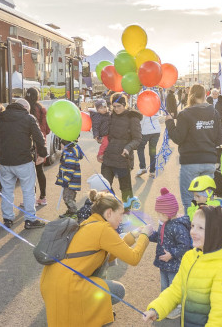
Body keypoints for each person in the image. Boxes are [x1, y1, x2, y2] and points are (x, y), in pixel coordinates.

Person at [40, 192, 154, 326]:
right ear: (109, 213)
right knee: (118, 290)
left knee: (103, 271)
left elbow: (107, 256)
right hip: (68, 287)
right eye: (120, 214)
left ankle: (88, 310)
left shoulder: (89, 223)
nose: (121, 219)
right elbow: (134, 258)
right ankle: (92, 313)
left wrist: (133, 235)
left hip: (51, 284)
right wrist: (145, 236)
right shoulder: (103, 229)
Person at [143, 205, 222, 325]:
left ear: (216, 232)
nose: (193, 232)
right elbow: (176, 290)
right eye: (193, 226)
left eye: (200, 228)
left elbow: (221, 314)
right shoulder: (190, 257)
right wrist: (156, 309)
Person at [0, 98, 47, 229]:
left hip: (5, 162)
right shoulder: (29, 119)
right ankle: (30, 220)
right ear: (25, 108)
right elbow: (39, 138)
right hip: (24, 161)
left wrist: (0, 156)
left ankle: (8, 219)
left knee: (7, 191)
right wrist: (42, 155)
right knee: (28, 191)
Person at [166, 84, 222, 208]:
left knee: (189, 201)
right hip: (209, 162)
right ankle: (206, 226)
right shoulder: (214, 112)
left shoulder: (185, 113)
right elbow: (218, 140)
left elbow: (178, 137)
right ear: (205, 95)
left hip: (190, 162)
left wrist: (169, 122)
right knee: (207, 201)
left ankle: (192, 226)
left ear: (190, 95)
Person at [147, 188, 191, 320]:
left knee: (174, 286)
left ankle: (177, 307)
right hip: (164, 263)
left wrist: (171, 254)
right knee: (164, 285)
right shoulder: (164, 223)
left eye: (160, 213)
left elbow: (185, 245)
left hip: (174, 264)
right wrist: (150, 234)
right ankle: (164, 305)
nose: (158, 216)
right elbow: (160, 238)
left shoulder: (178, 226)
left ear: (168, 212)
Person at [98, 94, 142, 205]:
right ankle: (111, 209)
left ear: (124, 105)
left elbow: (137, 139)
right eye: (114, 106)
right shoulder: (110, 116)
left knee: (125, 188)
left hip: (123, 159)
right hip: (109, 157)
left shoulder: (132, 117)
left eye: (119, 106)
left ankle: (127, 211)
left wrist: (128, 148)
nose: (116, 109)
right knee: (104, 186)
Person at [25, 87, 50, 207]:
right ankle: (43, 197)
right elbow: (47, 129)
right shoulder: (42, 109)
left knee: (29, 173)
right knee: (40, 170)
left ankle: (31, 199)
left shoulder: (25, 110)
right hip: (40, 142)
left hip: (28, 143)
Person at [55, 140, 85, 218]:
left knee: (67, 197)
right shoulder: (68, 153)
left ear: (66, 145)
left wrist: (65, 180)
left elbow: (70, 169)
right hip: (71, 181)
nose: (60, 146)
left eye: (61, 144)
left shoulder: (69, 154)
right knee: (70, 197)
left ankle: (74, 212)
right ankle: (71, 211)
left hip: (70, 182)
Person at [136, 100, 163, 178]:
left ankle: (143, 167)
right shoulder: (156, 108)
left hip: (145, 132)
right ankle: (152, 171)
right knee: (152, 150)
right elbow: (160, 116)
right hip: (156, 131)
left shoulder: (143, 109)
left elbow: (141, 121)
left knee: (140, 148)